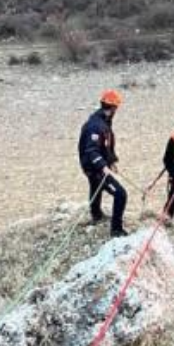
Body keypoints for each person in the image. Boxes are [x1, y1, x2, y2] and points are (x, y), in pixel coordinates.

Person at [78, 89, 128, 237]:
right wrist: (103, 166)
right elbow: (91, 150)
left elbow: (105, 145)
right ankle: (116, 230)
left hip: (92, 166)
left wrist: (111, 161)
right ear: (113, 108)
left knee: (95, 186)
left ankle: (96, 214)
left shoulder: (103, 121)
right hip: (93, 167)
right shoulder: (96, 126)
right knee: (120, 194)